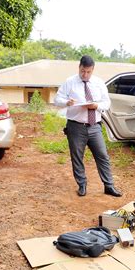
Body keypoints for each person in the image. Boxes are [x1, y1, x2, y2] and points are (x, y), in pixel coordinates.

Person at [54, 55, 122, 197]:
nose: (85, 74)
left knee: (102, 156)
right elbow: (57, 99)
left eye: (88, 72)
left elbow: (106, 103)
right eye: (83, 71)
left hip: (94, 126)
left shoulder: (98, 83)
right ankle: (82, 185)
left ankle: (109, 186)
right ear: (79, 67)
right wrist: (67, 102)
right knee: (77, 157)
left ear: (93, 70)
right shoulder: (70, 82)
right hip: (76, 127)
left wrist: (96, 105)